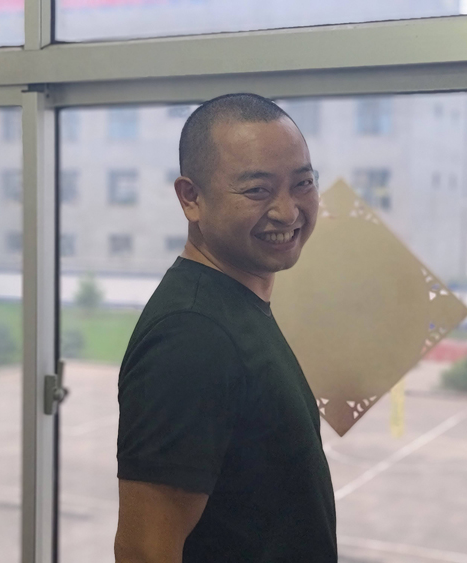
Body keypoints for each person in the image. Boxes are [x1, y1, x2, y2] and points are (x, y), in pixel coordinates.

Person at [114, 93, 337, 563]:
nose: (288, 211)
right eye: (257, 190)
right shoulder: (191, 336)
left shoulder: (237, 306)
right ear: (191, 198)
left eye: (303, 183)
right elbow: (144, 551)